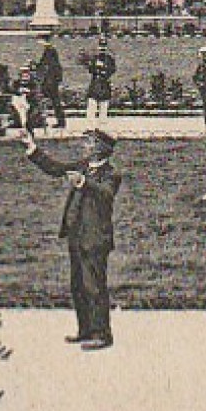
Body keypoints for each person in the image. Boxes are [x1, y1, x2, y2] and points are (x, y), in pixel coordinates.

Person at [21, 126, 123, 350]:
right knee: (78, 285)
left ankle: (102, 333)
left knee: (94, 285)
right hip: (76, 235)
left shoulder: (111, 174)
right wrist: (32, 148)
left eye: (89, 142)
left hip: (95, 238)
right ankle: (85, 329)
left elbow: (106, 194)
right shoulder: (82, 167)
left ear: (100, 148)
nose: (84, 145)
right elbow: (55, 168)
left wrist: (84, 183)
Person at [34, 35, 65, 129]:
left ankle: (57, 122)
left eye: (40, 40)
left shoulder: (50, 50)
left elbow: (47, 64)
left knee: (52, 101)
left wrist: (38, 67)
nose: (39, 43)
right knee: (51, 102)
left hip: (51, 82)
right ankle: (43, 120)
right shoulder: (49, 50)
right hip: (50, 81)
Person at [83, 37, 116, 122]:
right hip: (95, 83)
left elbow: (112, 69)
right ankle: (90, 124)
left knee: (104, 104)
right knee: (92, 103)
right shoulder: (95, 58)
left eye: (104, 47)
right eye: (101, 46)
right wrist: (96, 67)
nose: (102, 49)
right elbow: (90, 69)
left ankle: (102, 123)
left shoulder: (109, 59)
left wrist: (104, 70)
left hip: (104, 83)